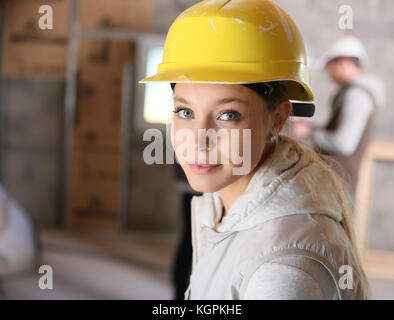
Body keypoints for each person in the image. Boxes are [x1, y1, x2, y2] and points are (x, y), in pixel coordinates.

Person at [139, 0, 371, 300]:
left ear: (278, 120)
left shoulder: (284, 268)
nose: (197, 141)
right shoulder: (221, 205)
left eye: (228, 114)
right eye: (185, 112)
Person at [292, 36, 386, 198]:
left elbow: (343, 144)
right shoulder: (353, 92)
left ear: (344, 62)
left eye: (330, 67)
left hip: (339, 185)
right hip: (336, 183)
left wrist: (309, 132)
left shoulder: (356, 95)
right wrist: (312, 128)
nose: (329, 73)